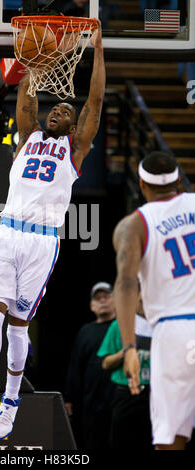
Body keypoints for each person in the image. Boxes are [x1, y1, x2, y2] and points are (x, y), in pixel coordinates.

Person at [0, 26, 106, 440]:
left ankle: (11, 400)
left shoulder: (75, 149)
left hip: (41, 241)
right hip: (7, 232)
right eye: (56, 109)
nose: (58, 112)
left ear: (72, 126)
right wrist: (37, 59)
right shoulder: (28, 136)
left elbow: (96, 102)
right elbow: (28, 98)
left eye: (65, 111)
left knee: (18, 325)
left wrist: (98, 53)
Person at [113, 150, 195, 451]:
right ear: (180, 184)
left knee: (170, 440)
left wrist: (130, 346)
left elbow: (125, 283)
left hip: (174, 333)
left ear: (142, 186)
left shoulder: (133, 224)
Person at [64, 282, 116, 450]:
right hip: (91, 402)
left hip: (119, 398)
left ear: (116, 300)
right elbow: (75, 366)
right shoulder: (86, 331)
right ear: (92, 306)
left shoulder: (124, 327)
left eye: (106, 297)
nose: (102, 301)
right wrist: (69, 398)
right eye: (98, 298)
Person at [97, 293, 153, 450]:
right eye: (141, 301)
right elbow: (105, 363)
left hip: (156, 393)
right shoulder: (119, 325)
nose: (144, 304)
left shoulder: (161, 325)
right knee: (123, 442)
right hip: (126, 393)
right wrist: (127, 350)